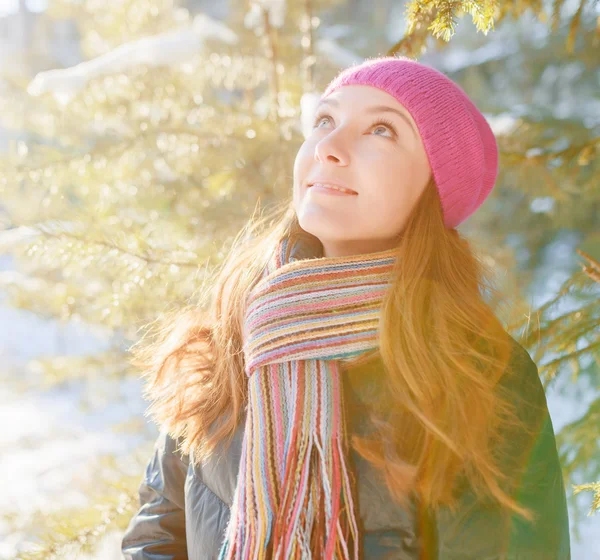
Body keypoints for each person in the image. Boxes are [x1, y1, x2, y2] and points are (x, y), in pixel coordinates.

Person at [121, 56, 571, 559]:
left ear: (435, 186)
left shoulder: (478, 372)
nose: (329, 148)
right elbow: (156, 535)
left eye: (381, 130)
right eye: (324, 121)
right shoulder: (233, 335)